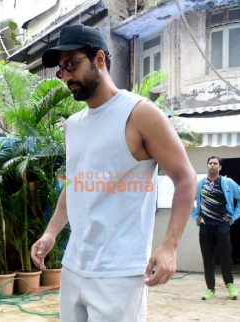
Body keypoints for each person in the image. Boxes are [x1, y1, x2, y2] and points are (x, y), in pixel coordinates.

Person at [31, 24, 197, 321]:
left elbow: (184, 177)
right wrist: (50, 233)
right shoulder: (74, 125)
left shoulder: (140, 113)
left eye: (72, 64)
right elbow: (75, 185)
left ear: (100, 59)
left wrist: (170, 245)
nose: (66, 76)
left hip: (120, 273)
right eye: (61, 70)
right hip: (74, 266)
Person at [191, 156, 240, 301]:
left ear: (220, 167)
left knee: (225, 256)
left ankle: (230, 285)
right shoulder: (200, 184)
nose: (212, 165)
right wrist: (196, 216)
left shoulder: (227, 183)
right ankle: (210, 289)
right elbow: (188, 200)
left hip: (222, 225)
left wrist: (234, 216)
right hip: (205, 226)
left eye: (215, 163)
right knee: (207, 258)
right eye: (210, 163)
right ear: (207, 166)